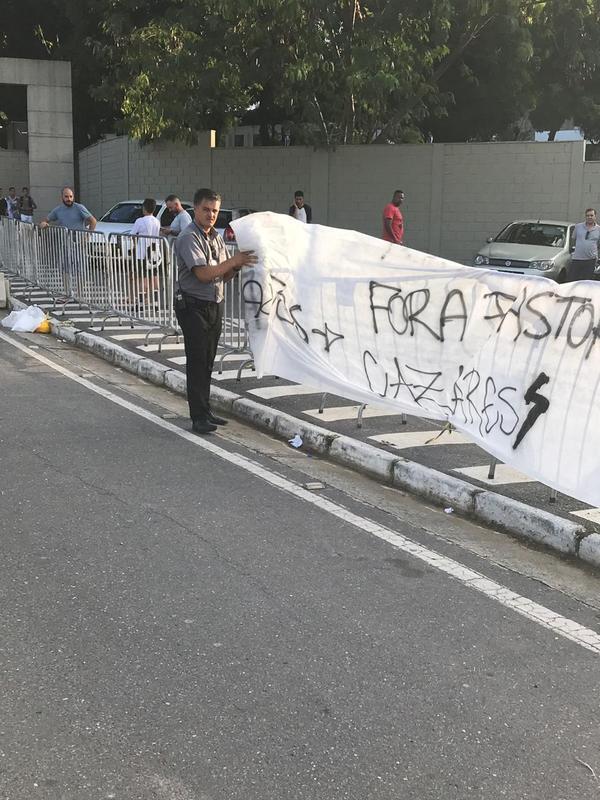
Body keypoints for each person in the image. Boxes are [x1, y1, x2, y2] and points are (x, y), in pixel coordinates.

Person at [175, 187, 257, 434]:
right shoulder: (189, 237)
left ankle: (206, 410)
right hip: (193, 305)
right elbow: (202, 274)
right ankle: (198, 416)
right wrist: (233, 261)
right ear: (195, 209)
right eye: (206, 209)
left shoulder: (216, 237)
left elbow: (223, 274)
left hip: (214, 303)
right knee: (197, 361)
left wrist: (237, 267)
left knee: (208, 360)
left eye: (215, 211)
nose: (211, 215)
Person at [129, 198, 161, 310]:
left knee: (142, 278)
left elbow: (132, 234)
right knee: (154, 276)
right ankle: (156, 302)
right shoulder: (157, 221)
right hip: (154, 252)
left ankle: (141, 303)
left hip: (142, 253)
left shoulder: (140, 221)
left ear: (144, 208)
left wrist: (134, 245)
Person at [567, 208, 600, 282]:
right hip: (577, 259)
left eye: (591, 215)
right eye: (587, 215)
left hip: (590, 260)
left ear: (595, 216)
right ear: (585, 216)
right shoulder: (578, 227)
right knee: (572, 280)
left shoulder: (598, 229)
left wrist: (596, 257)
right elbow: (573, 239)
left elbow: (598, 245)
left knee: (586, 282)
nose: (589, 217)